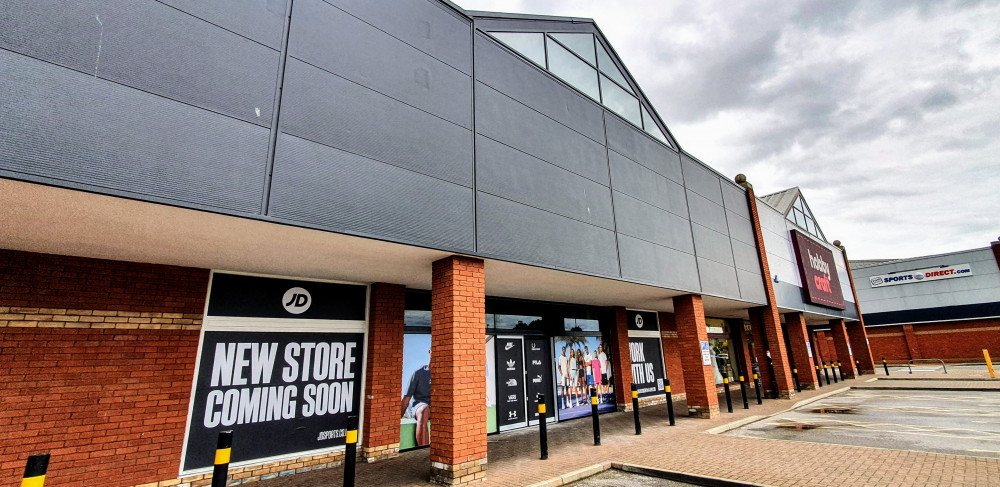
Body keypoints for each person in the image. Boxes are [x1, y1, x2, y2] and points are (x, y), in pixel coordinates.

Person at [401, 350, 431, 447]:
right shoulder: (418, 373)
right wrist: (396, 420)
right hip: (421, 406)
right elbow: (407, 398)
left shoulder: (446, 373)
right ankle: (423, 450)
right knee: (424, 410)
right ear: (430, 352)